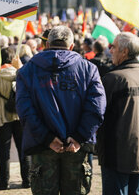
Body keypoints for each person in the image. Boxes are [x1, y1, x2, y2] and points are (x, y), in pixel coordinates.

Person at [16, 26, 106, 194]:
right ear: (71, 47)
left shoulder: (27, 70)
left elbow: (25, 110)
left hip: (43, 146)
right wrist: (79, 137)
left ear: (47, 45)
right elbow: (97, 108)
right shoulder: (88, 69)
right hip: (73, 147)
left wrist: (47, 138)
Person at [98, 32, 139, 195]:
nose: (110, 50)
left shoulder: (113, 79)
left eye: (113, 46)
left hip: (116, 154)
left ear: (124, 52)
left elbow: (97, 114)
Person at [0, 47, 29, 190]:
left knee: (3, 150)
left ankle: (3, 181)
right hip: (20, 116)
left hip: (2, 117)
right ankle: (27, 179)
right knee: (23, 148)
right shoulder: (20, 74)